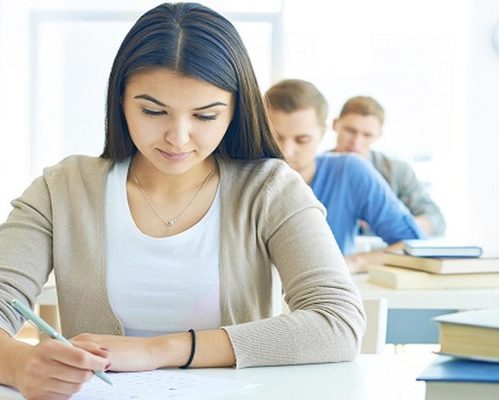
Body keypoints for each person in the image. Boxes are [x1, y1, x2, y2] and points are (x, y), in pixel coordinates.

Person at [0, 4, 364, 399]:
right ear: (120, 101)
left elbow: (337, 322)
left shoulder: (270, 189)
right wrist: (20, 364)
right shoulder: (62, 189)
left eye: (205, 116)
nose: (178, 137)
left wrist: (158, 350)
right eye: (153, 111)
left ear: (236, 111)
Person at [264, 80, 424, 273]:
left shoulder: (350, 171)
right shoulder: (239, 175)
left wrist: (354, 263)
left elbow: (414, 245)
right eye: (276, 138)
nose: (287, 152)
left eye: (302, 140)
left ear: (323, 133)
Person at [332, 96, 446, 236]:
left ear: (379, 135)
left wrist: (397, 223)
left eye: (367, 135)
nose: (356, 142)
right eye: (350, 131)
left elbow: (436, 220)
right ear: (335, 125)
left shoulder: (397, 171)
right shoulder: (313, 168)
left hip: (383, 254)